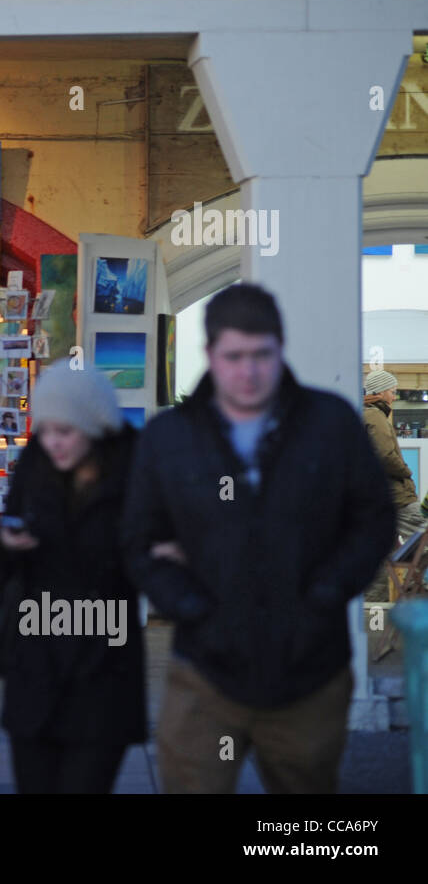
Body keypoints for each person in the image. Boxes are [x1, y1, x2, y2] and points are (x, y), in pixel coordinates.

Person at [122, 283, 395, 794]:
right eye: (234, 356)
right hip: (204, 669)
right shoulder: (171, 437)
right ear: (209, 355)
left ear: (280, 347)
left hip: (310, 673)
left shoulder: (330, 423)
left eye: (261, 355)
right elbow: (138, 539)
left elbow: (374, 520)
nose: (248, 371)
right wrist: (189, 604)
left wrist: (324, 594)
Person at [0, 362, 146, 793]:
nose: (53, 442)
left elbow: (148, 558)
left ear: (94, 425)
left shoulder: (136, 467)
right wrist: (8, 543)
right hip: (37, 667)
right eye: (45, 430)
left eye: (66, 431)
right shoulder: (35, 462)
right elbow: (3, 561)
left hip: (103, 668)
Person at [362, 369, 426, 543]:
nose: (394, 397)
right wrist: (406, 472)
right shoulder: (375, 416)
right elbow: (384, 455)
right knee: (423, 535)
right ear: (381, 392)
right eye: (392, 392)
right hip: (398, 497)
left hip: (382, 497)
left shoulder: (366, 415)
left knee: (386, 554)